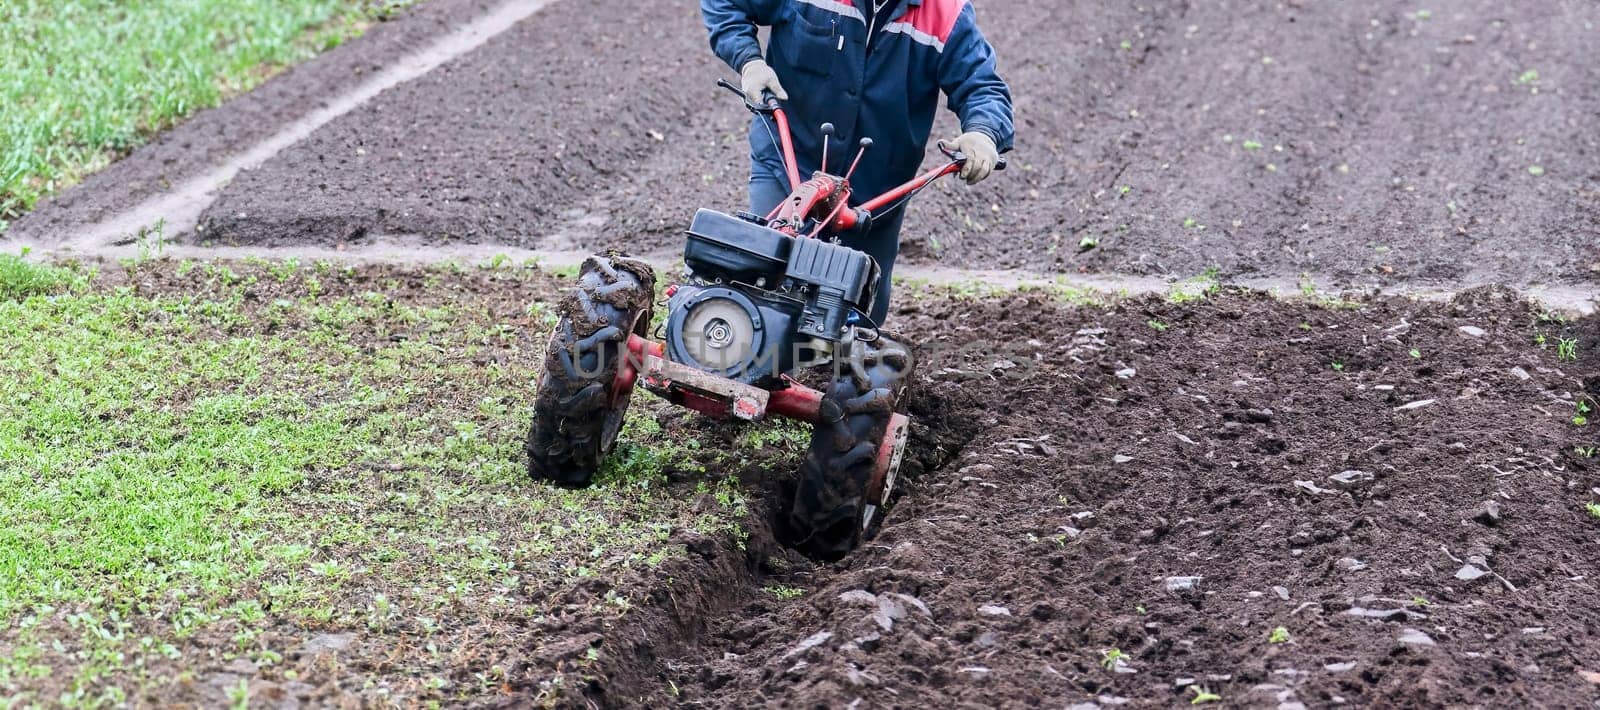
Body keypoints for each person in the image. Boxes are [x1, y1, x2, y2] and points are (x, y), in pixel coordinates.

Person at [701, 0, 1014, 324]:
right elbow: (725, 3)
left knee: (857, 324)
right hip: (789, 161)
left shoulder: (946, 13)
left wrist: (983, 133)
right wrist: (749, 61)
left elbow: (982, 86)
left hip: (874, 195)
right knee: (760, 300)